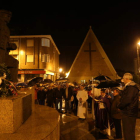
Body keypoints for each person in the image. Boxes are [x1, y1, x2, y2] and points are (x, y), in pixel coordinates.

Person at [118, 73, 139, 140]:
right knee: (129, 131)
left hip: (128, 112)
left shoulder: (131, 88)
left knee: (128, 132)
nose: (122, 80)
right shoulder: (131, 87)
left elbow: (127, 99)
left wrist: (120, 106)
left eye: (123, 79)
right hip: (130, 112)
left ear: (126, 79)